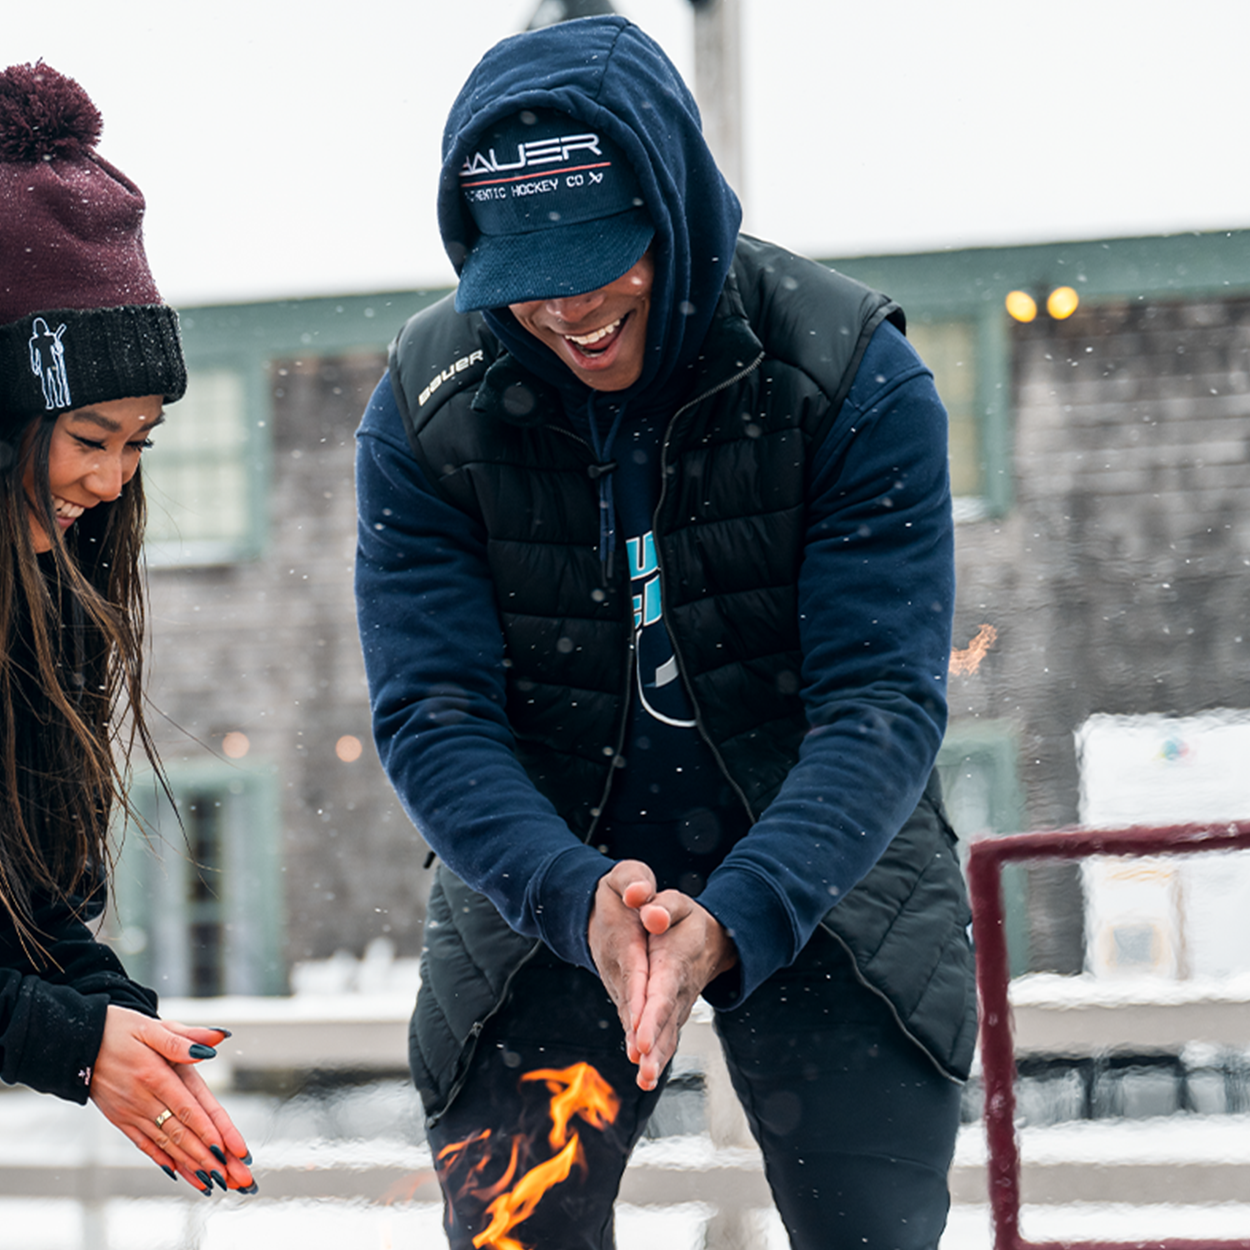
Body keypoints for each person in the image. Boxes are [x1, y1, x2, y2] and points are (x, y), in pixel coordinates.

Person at [356, 16, 975, 1249]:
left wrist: (742, 905)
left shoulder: (851, 370)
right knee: (511, 1231)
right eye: (523, 275)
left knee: (872, 1231)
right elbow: (433, 712)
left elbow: (880, 704)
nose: (568, 308)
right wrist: (569, 892)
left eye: (600, 258)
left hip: (827, 867)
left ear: (675, 207)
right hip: (538, 877)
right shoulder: (425, 412)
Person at [0, 61, 255, 1196]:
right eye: (89, 434)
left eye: (140, 441)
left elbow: (30, 895)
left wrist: (110, 1018)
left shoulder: (42, 599)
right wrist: (67, 1039)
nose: (110, 478)